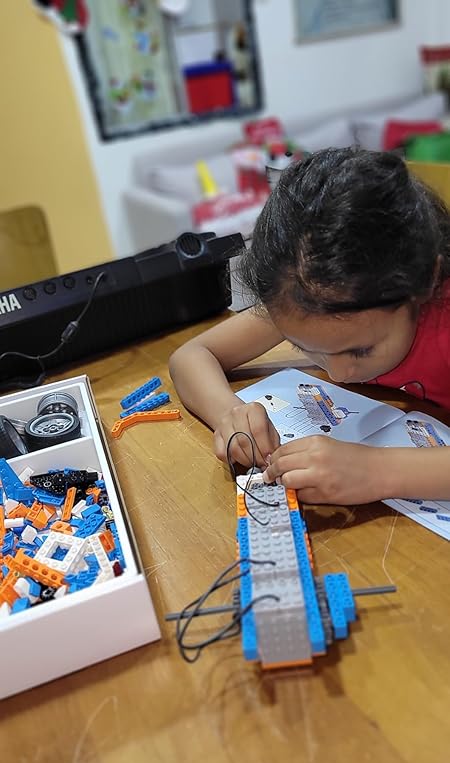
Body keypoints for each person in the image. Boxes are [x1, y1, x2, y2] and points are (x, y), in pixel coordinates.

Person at [169, 148, 450, 505]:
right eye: (305, 347)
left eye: (361, 350)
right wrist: (230, 414)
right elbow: (191, 356)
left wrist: (377, 472)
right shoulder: (302, 296)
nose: (338, 373)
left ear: (425, 281)